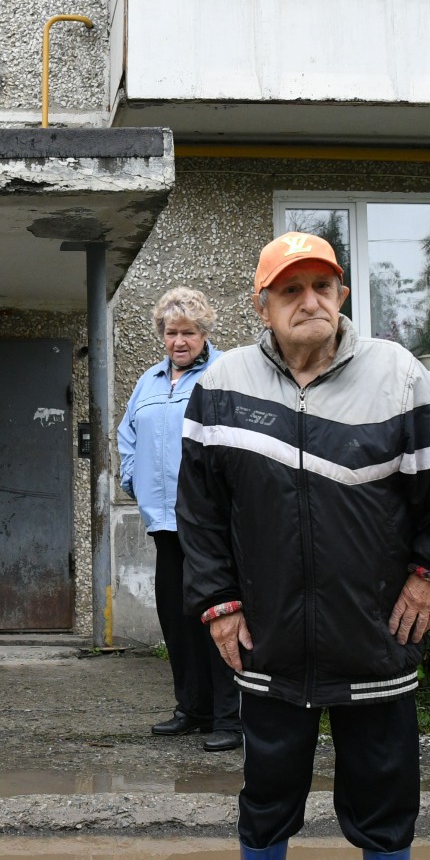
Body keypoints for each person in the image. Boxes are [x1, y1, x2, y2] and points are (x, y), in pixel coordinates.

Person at [178, 232, 430, 860]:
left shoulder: (399, 376)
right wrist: (219, 603)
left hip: (375, 641)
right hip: (269, 643)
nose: (309, 301)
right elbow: (199, 518)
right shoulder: (222, 385)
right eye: (290, 290)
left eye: (323, 286)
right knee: (265, 801)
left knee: (386, 801)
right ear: (262, 305)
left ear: (343, 296)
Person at [118, 286, 241, 752]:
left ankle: (231, 718)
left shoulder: (224, 373)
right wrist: (134, 480)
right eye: (171, 333)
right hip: (164, 523)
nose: (179, 341)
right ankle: (193, 709)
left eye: (188, 332)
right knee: (177, 618)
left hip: (211, 522)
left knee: (219, 614)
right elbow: (127, 434)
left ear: (204, 332)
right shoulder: (149, 382)